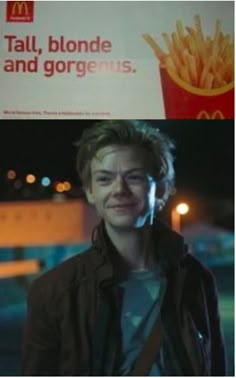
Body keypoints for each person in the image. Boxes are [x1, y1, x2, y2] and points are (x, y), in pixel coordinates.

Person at [22, 120, 226, 376]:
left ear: (161, 189)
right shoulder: (55, 291)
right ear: (90, 192)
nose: (119, 190)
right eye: (105, 179)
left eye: (135, 177)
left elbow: (215, 367)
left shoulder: (195, 279)